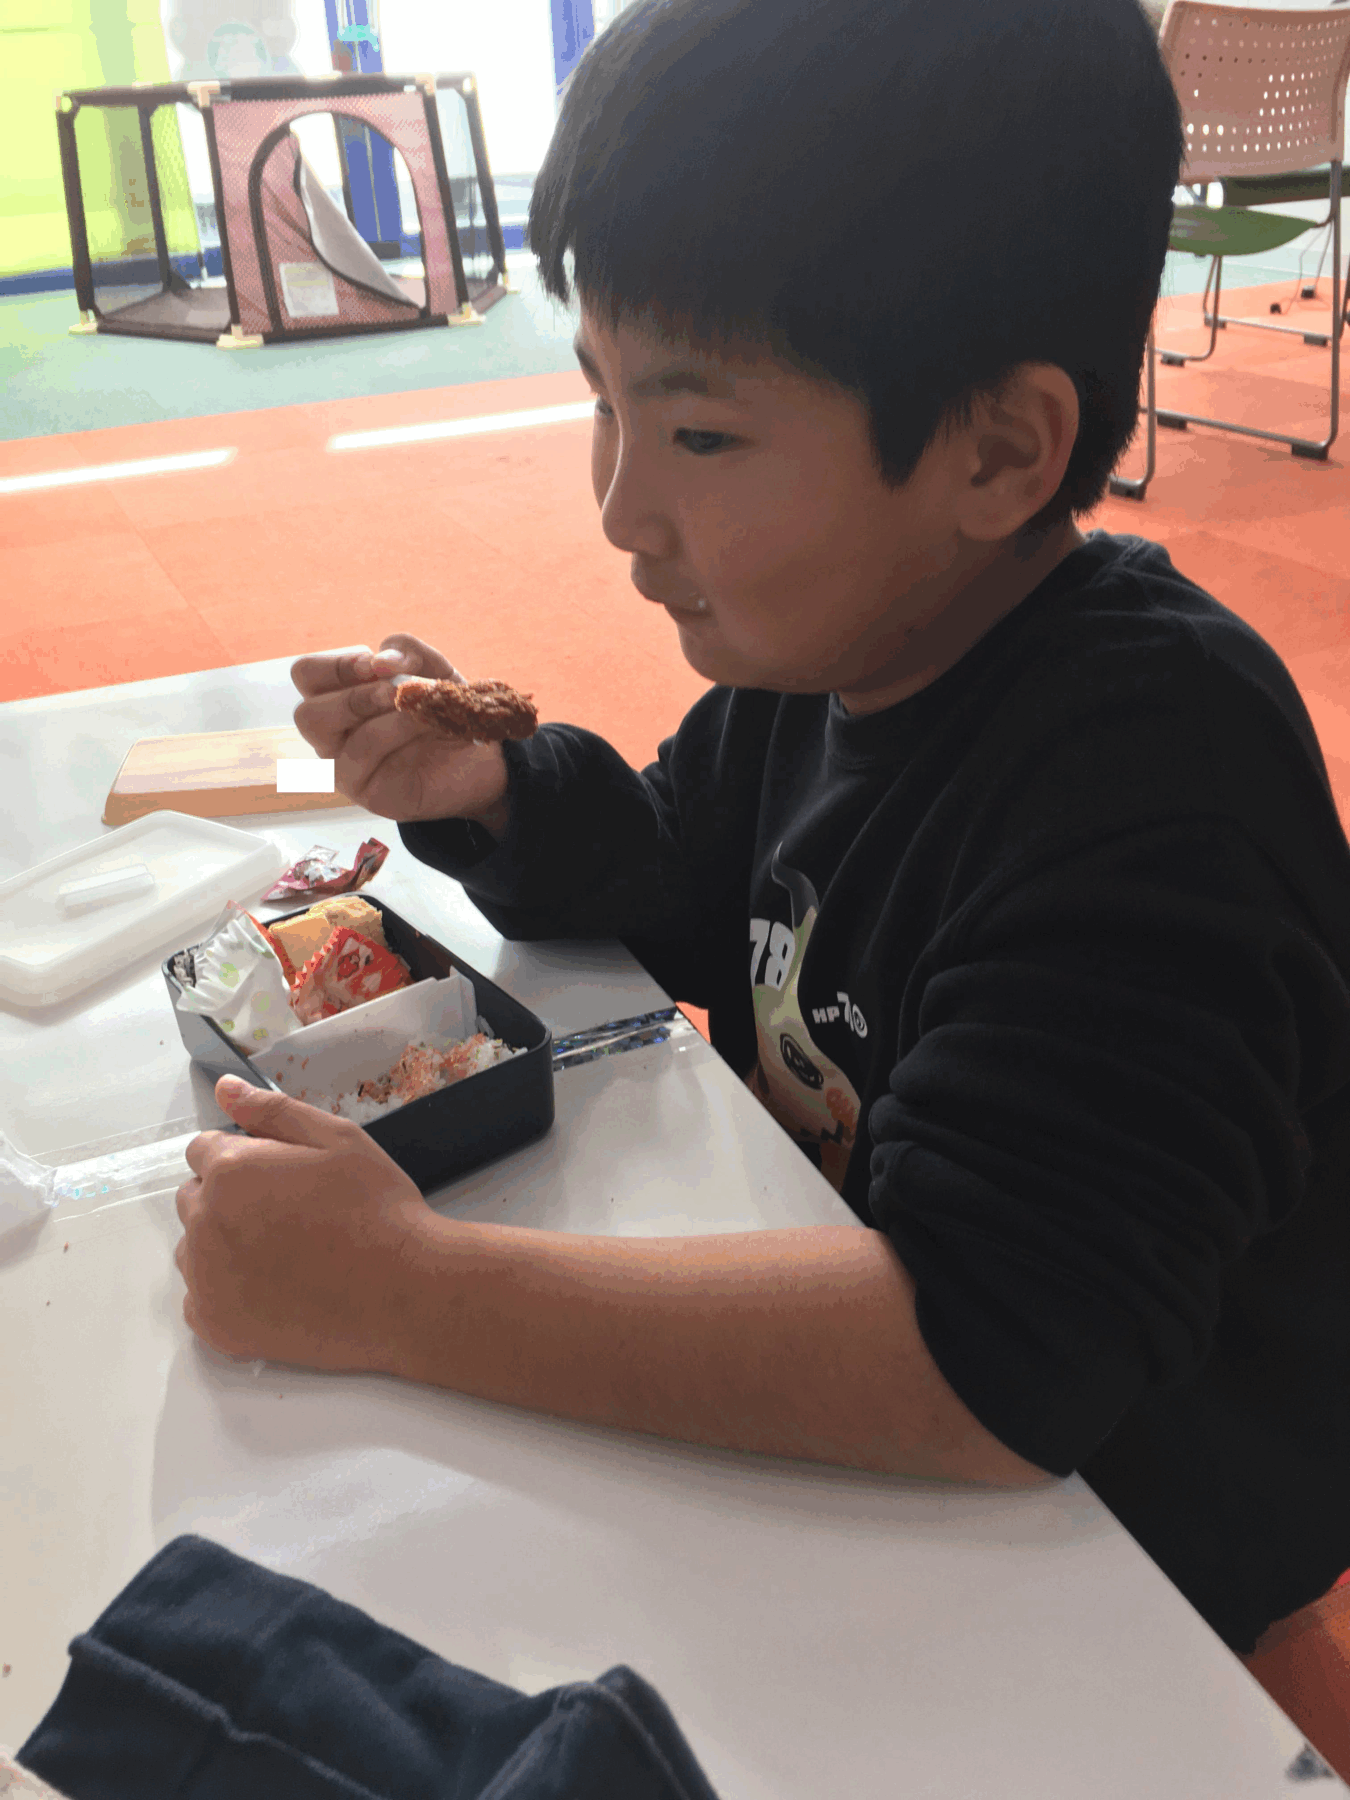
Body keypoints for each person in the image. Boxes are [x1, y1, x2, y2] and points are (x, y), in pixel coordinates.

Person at [175, 0, 1350, 1681]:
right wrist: (492, 794)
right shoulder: (837, 652)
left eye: (701, 434)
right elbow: (675, 870)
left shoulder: (1158, 790)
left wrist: (404, 1289)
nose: (619, 511)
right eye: (602, 402)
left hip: (1119, 1553)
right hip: (882, 1402)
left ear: (996, 450)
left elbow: (990, 1363)